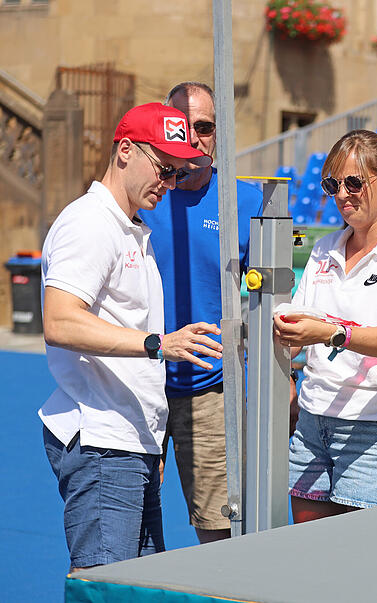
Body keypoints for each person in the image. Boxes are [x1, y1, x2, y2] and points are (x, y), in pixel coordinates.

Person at [39, 103, 222, 571]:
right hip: (103, 440)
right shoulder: (90, 224)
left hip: (128, 440)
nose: (169, 184)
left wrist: (149, 439)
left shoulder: (129, 227)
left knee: (135, 584)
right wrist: (157, 344)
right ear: (125, 151)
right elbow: (60, 321)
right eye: (164, 169)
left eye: (178, 174)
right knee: (105, 582)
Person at [272, 129, 377, 522]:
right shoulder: (324, 247)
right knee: (309, 559)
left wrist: (330, 333)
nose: (343, 194)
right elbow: (295, 330)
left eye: (354, 182)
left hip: (376, 431)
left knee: (364, 569)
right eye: (333, 183)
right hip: (313, 425)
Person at [140, 82, 264, 544]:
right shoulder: (141, 195)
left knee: (221, 533)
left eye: (206, 126)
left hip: (210, 388)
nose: (194, 136)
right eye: (181, 125)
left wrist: (285, 377)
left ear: (220, 132)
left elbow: (272, 302)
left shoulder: (247, 202)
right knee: (130, 526)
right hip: (138, 385)